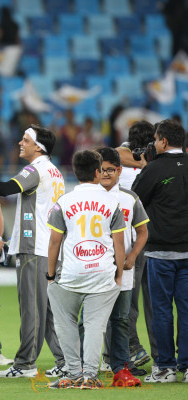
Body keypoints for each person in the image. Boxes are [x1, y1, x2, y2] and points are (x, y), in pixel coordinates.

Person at [46, 150, 126, 390]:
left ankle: (72, 373)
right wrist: (119, 274)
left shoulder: (63, 201)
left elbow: (54, 242)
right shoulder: (113, 202)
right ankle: (90, 375)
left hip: (71, 273)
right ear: (97, 172)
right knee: (95, 326)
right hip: (102, 272)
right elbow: (119, 242)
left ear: (75, 172)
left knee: (65, 324)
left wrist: (51, 276)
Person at [0, 125, 65, 378]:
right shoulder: (55, 171)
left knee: (31, 308)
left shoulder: (35, 169)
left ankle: (25, 364)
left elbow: (5, 189)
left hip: (33, 247)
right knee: (46, 309)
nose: (20, 143)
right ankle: (65, 359)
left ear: (39, 147)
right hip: (49, 247)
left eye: (25, 140)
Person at [80, 147, 148, 386]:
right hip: (91, 268)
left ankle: (120, 368)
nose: (106, 174)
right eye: (103, 170)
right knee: (87, 320)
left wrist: (132, 256)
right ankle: (82, 367)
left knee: (120, 321)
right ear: (96, 171)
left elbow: (143, 231)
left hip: (122, 273)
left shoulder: (130, 198)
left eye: (111, 169)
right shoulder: (84, 197)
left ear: (120, 170)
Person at [131, 119, 188, 383]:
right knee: (187, 310)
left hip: (161, 253)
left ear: (164, 141)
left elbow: (134, 199)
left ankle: (165, 367)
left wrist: (144, 169)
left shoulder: (154, 169)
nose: (154, 143)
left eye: (156, 139)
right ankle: (187, 368)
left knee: (162, 311)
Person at [116, 121, 157, 367]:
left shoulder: (118, 164)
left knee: (126, 302)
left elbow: (114, 153)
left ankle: (129, 350)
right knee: (155, 305)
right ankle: (162, 358)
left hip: (127, 242)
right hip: (152, 238)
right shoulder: (156, 165)